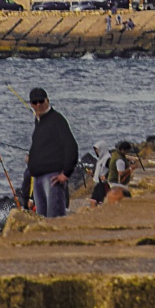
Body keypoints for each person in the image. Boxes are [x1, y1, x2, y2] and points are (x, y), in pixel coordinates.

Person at [26, 87, 78, 218]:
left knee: (54, 217)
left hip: (52, 178)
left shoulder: (57, 120)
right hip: (37, 178)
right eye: (35, 102)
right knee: (41, 219)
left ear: (47, 101)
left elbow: (71, 146)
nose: (38, 105)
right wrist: (31, 158)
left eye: (41, 101)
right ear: (31, 104)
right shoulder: (39, 122)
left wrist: (66, 173)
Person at [89, 140, 111, 206]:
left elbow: (112, 169)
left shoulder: (108, 158)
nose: (96, 151)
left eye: (97, 150)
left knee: (102, 201)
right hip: (98, 183)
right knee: (93, 200)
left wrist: (106, 176)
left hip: (104, 184)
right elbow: (100, 169)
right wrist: (93, 172)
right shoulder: (101, 159)